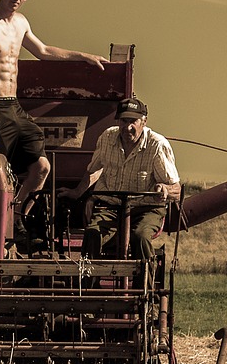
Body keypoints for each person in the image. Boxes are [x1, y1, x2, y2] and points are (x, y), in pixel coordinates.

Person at [0, 0, 106, 237]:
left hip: (13, 106)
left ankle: (16, 215)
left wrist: (83, 55)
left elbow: (43, 51)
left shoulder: (21, 23)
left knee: (41, 167)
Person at [60, 97, 181, 262]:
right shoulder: (107, 138)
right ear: (118, 121)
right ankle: (89, 285)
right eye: (124, 121)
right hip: (111, 207)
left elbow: (177, 189)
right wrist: (77, 192)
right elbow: (94, 169)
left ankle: (144, 285)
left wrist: (165, 190)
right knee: (92, 234)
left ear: (144, 122)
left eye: (133, 121)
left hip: (146, 208)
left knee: (140, 237)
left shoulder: (157, 145)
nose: (128, 127)